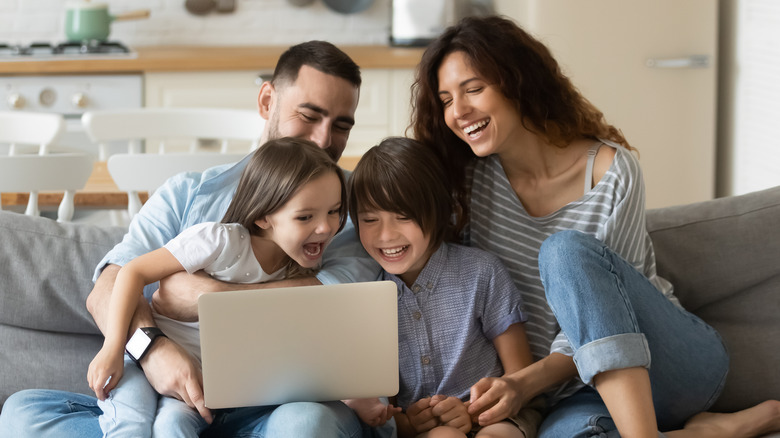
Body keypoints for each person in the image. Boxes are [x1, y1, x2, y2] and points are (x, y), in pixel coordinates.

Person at [410, 14, 780, 438]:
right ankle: (714, 432)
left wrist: (523, 383)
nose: (458, 111)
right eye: (445, 100)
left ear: (518, 82)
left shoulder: (610, 171)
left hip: (667, 362)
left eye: (474, 89)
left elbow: (604, 316)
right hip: (572, 395)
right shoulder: (466, 184)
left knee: (564, 251)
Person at [0, 40, 385, 438]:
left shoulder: (355, 210)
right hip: (181, 400)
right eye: (309, 116)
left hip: (278, 412)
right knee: (23, 413)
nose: (324, 140)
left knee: (306, 425)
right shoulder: (189, 193)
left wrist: (208, 297)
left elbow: (334, 299)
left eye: (342, 126)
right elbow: (109, 288)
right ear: (268, 101)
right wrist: (153, 349)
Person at [88, 137, 347, 437]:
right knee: (156, 425)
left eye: (334, 211)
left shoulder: (301, 264)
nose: (326, 228)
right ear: (264, 216)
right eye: (306, 217)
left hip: (218, 389)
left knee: (174, 424)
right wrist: (112, 348)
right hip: (161, 369)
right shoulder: (219, 241)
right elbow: (132, 271)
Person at [345, 137, 542, 438]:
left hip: (499, 415)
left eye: (404, 216)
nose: (386, 234)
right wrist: (411, 423)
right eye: (370, 219)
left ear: (437, 210)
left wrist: (472, 415)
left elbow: (519, 378)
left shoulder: (481, 272)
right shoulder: (366, 298)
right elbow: (386, 412)